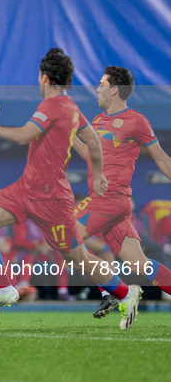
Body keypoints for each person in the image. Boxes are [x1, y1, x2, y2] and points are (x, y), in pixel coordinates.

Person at [0, 49, 141, 330]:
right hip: (26, 189)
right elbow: (93, 144)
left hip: (52, 200)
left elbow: (24, 136)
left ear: (44, 78)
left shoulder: (53, 105)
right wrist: (97, 175)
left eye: (38, 76)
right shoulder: (70, 107)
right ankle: (3, 288)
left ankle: (124, 292)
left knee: (79, 258)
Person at [72, 66, 171, 320]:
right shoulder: (97, 120)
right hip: (114, 204)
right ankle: (117, 291)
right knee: (140, 264)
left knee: (64, 238)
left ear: (114, 89)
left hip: (108, 199)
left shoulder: (136, 121)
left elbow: (161, 159)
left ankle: (115, 292)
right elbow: (91, 158)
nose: (97, 89)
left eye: (101, 84)